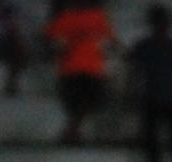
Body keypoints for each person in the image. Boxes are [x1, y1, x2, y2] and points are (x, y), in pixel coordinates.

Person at [128, 4, 172, 162]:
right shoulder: (149, 46)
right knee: (155, 143)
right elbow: (134, 73)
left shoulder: (169, 46)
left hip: (167, 98)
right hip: (153, 98)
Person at [43, 0, 117, 144]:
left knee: (78, 102)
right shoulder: (95, 17)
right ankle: (74, 130)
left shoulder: (69, 17)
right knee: (84, 101)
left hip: (77, 68)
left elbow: (50, 39)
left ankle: (73, 130)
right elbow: (111, 42)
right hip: (85, 68)